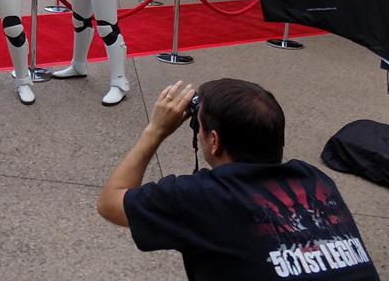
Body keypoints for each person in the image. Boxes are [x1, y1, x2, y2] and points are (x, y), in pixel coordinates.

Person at [97, 78, 380, 280]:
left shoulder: (202, 196)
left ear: (214, 141)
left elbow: (110, 202)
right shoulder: (317, 181)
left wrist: (155, 130)